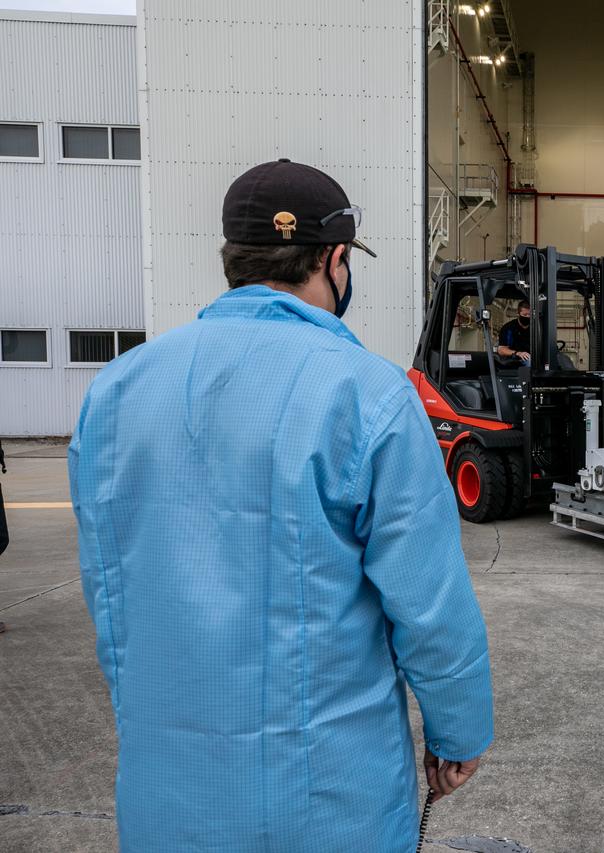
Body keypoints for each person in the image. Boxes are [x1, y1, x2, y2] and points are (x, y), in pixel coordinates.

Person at [70, 159, 494, 852]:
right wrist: (459, 731)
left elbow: (110, 594)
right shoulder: (374, 397)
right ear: (334, 261)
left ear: (232, 259)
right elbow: (429, 603)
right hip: (328, 799)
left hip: (168, 793)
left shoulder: (115, 392)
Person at [497, 299, 532, 364]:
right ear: (518, 313)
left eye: (530, 315)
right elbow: (501, 350)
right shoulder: (509, 328)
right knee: (529, 362)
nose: (528, 317)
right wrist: (518, 353)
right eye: (525, 315)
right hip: (515, 359)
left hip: (534, 358)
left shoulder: (536, 328)